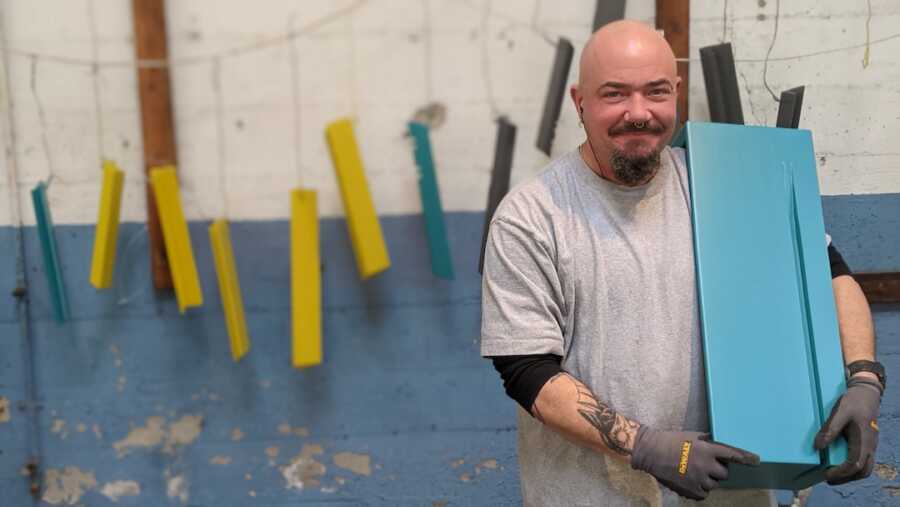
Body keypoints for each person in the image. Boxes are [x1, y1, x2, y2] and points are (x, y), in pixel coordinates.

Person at [480, 20, 884, 507]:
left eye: (655, 92)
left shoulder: (727, 182)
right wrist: (645, 446)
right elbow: (528, 372)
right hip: (590, 496)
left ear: (676, 93)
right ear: (578, 101)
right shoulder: (532, 215)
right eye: (615, 94)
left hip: (732, 494)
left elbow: (829, 272)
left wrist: (864, 378)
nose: (638, 112)